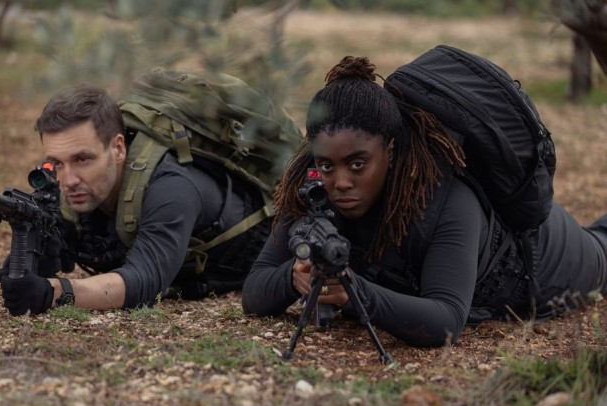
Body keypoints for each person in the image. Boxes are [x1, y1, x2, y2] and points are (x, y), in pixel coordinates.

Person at [241, 56, 607, 348]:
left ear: (390, 150)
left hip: (546, 259)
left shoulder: (446, 198)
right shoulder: (312, 187)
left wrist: (353, 292)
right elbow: (254, 293)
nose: (340, 182)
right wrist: (294, 276)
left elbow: (445, 320)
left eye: (357, 164)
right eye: (326, 165)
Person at [0, 84, 282, 315]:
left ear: (118, 149)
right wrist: (34, 256)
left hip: (266, 261)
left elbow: (144, 280)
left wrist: (54, 292)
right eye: (56, 163)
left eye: (82, 159)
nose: (69, 179)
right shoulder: (78, 184)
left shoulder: (172, 187)